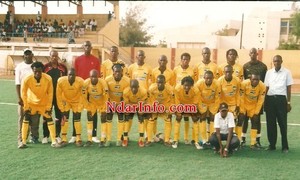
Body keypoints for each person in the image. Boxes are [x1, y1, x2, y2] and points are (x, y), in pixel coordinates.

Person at [18, 61, 61, 149]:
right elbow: (23, 93)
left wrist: (49, 107)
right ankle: (23, 142)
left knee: (49, 118)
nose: (37, 73)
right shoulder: (27, 79)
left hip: (43, 104)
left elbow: (50, 93)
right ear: (32, 70)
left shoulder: (48, 78)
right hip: (31, 103)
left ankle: (53, 141)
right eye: (35, 71)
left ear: (42, 71)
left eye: (39, 71)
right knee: (26, 118)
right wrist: (26, 107)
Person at [73, 41, 101, 143]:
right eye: (85, 45)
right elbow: (75, 75)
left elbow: (98, 76)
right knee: (77, 112)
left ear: (91, 47)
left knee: (93, 112)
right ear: (83, 47)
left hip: (92, 90)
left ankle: (93, 135)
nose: (87, 47)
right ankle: (75, 135)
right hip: (80, 90)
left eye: (89, 46)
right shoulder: (78, 60)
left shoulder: (96, 60)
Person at [264, 55, 293, 153]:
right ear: (273, 62)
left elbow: (289, 88)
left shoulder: (287, 72)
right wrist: (264, 102)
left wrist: (288, 102)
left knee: (282, 124)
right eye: (275, 61)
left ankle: (285, 146)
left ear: (281, 61)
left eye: (278, 61)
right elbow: (266, 88)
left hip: (281, 100)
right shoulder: (269, 72)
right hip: (270, 99)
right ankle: (272, 145)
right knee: (270, 124)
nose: (276, 63)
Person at [242, 48, 267, 147]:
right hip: (247, 98)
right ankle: (243, 139)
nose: (253, 54)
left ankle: (257, 140)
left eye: (254, 53)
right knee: (245, 119)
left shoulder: (263, 66)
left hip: (257, 98)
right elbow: (244, 81)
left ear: (257, 54)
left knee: (256, 119)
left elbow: (264, 81)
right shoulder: (245, 66)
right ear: (249, 54)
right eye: (251, 52)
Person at [42, 50, 68, 144]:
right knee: (46, 115)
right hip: (48, 95)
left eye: (56, 56)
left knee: (59, 116)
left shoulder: (63, 68)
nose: (54, 58)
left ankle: (57, 135)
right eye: (53, 56)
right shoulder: (45, 67)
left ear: (58, 57)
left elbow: (65, 81)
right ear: (50, 56)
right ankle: (45, 136)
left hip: (59, 96)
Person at [15, 48, 39, 146]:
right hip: (24, 96)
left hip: (35, 96)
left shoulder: (36, 65)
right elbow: (17, 82)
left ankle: (34, 136)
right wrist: (19, 98)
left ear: (32, 54)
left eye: (29, 54)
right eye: (26, 54)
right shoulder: (19, 67)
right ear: (23, 55)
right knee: (22, 117)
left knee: (35, 117)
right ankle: (21, 137)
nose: (28, 55)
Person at [56, 68, 85, 147]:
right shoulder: (61, 81)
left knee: (77, 118)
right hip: (66, 100)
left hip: (77, 101)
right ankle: (64, 139)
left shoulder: (81, 81)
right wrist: (61, 106)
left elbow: (84, 95)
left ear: (76, 76)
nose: (71, 76)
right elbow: (58, 95)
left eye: (73, 75)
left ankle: (78, 138)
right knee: (65, 118)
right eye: (69, 75)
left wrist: (80, 106)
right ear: (67, 75)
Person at [173, 52, 197, 145]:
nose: (185, 61)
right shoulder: (176, 69)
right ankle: (176, 139)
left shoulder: (192, 71)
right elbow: (173, 82)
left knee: (188, 118)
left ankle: (186, 138)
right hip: (178, 97)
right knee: (178, 117)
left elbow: (193, 84)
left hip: (188, 98)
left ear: (189, 60)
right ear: (181, 60)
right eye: (183, 59)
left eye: (187, 59)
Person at [105, 63, 130, 147]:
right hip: (111, 101)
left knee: (120, 118)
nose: (117, 73)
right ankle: (108, 139)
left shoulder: (127, 81)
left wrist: (122, 104)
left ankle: (119, 139)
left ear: (122, 72)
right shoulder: (107, 80)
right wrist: (109, 103)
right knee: (108, 119)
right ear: (113, 72)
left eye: (119, 72)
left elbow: (126, 95)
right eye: (116, 71)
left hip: (121, 102)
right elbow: (106, 93)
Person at [127, 50, 152, 136]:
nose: (140, 57)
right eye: (139, 55)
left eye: (142, 55)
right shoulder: (131, 67)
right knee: (130, 116)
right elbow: (128, 81)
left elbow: (150, 82)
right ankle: (126, 134)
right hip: (132, 96)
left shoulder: (148, 68)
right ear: (136, 57)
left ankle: (145, 134)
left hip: (143, 96)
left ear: (144, 57)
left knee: (143, 116)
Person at [238, 73, 266, 150]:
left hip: (253, 105)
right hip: (244, 104)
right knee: (241, 120)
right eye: (254, 79)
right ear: (250, 79)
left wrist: (256, 112)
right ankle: (240, 140)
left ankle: (253, 143)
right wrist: (242, 110)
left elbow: (261, 100)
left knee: (255, 120)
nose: (255, 81)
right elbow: (241, 97)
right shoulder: (244, 84)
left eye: (257, 79)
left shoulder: (262, 86)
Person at [172, 76, 201, 149]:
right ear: (182, 85)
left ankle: (196, 141)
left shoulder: (196, 90)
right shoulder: (177, 89)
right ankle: (175, 140)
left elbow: (195, 104)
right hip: (181, 105)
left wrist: (192, 111)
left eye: (189, 86)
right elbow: (177, 103)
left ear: (192, 85)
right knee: (178, 117)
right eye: (185, 85)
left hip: (191, 106)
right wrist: (180, 110)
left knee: (195, 118)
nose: (187, 87)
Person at [82, 69, 109, 147]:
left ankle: (103, 140)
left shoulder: (103, 82)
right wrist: (87, 107)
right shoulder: (86, 83)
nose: (93, 78)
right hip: (92, 103)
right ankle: (89, 140)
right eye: (91, 77)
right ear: (89, 77)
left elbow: (106, 96)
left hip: (101, 103)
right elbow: (83, 97)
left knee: (103, 119)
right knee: (89, 118)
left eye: (95, 76)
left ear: (98, 76)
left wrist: (105, 108)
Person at [195, 70, 221, 149]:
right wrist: (200, 108)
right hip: (202, 102)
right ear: (204, 78)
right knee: (202, 117)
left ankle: (211, 139)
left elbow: (217, 98)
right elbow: (197, 97)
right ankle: (204, 139)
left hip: (213, 103)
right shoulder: (199, 84)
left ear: (213, 78)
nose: (209, 80)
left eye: (210, 78)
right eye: (207, 78)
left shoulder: (217, 84)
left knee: (213, 117)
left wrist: (215, 109)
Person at [148, 74, 174, 147]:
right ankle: (149, 139)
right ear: (156, 82)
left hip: (165, 105)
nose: (160, 84)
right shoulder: (151, 88)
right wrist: (152, 108)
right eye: (158, 82)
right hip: (155, 104)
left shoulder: (170, 89)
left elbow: (172, 100)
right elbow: (149, 99)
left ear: (165, 82)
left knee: (168, 119)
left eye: (161, 82)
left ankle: (166, 140)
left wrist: (169, 110)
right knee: (151, 119)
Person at [123, 79, 148, 147]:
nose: (133, 89)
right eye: (132, 87)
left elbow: (144, 102)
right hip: (130, 104)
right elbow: (126, 104)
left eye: (135, 87)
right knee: (127, 116)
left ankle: (141, 139)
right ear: (130, 87)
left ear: (138, 86)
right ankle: (125, 138)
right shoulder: (126, 92)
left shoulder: (143, 91)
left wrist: (140, 109)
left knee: (141, 117)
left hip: (140, 105)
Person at [218, 65, 241, 139]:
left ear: (232, 72)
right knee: (222, 121)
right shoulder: (220, 81)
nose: (228, 73)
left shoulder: (237, 80)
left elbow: (238, 93)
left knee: (233, 121)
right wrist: (218, 106)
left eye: (229, 72)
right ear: (224, 72)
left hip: (233, 104)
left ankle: (236, 139)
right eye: (226, 72)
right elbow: (218, 95)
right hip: (223, 105)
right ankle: (219, 137)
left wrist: (238, 105)